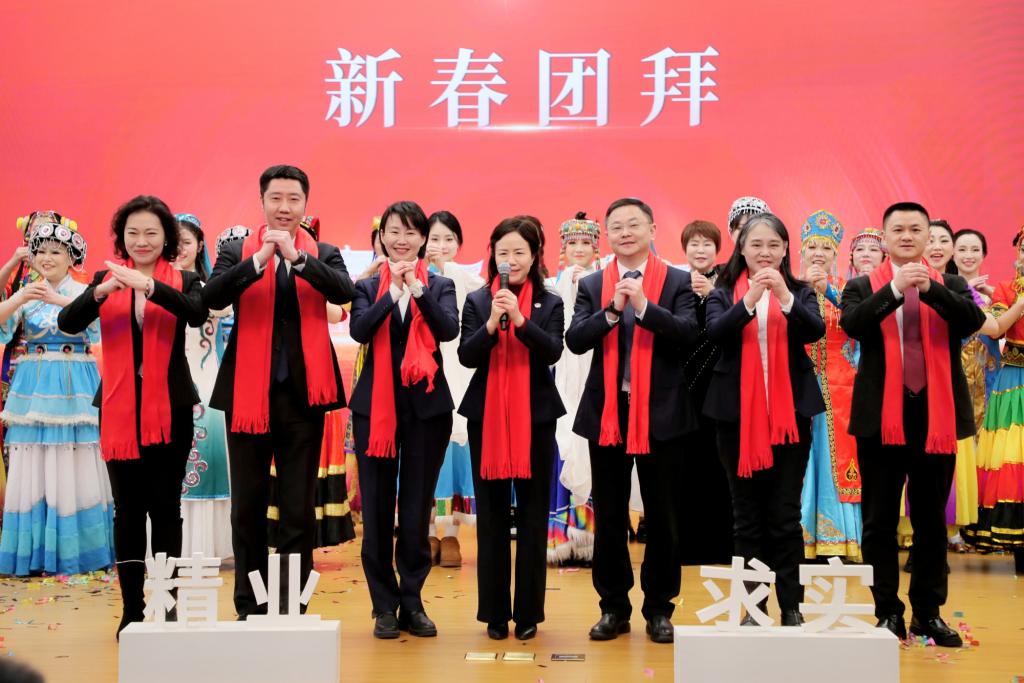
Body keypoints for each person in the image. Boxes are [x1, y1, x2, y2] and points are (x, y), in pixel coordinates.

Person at [203, 165, 354, 619]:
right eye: (276, 198)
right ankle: (250, 605)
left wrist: (299, 259)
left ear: (306, 203)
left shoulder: (324, 252)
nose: (284, 207)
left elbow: (343, 291)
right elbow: (212, 296)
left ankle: (290, 605)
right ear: (262, 202)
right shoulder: (236, 250)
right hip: (246, 395)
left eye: (293, 199)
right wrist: (259, 262)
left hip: (303, 397)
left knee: (297, 508)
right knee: (247, 506)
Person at [59, 195, 208, 638]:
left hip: (171, 409)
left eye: (151, 233)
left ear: (167, 238)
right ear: (122, 238)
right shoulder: (105, 278)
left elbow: (196, 313)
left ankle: (167, 603)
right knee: (127, 510)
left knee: (165, 508)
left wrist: (149, 287)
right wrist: (101, 291)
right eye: (133, 233)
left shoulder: (185, 279)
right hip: (119, 409)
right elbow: (68, 321)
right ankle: (131, 609)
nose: (141, 241)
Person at [841, 202, 984, 647]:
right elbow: (853, 325)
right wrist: (895, 289)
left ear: (929, 237)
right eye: (898, 229)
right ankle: (887, 612)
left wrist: (931, 289)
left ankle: (928, 612)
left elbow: (974, 320)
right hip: (880, 420)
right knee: (879, 522)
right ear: (885, 238)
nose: (907, 236)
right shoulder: (862, 285)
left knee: (930, 523)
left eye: (916, 229)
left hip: (935, 417)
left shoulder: (952, 284)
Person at [566, 197, 699, 644]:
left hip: (663, 412)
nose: (625, 232)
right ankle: (613, 607)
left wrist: (644, 307)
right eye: (617, 226)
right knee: (609, 515)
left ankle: (660, 608)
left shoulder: (678, 280)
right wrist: (610, 312)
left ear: (652, 230)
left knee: (663, 516)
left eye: (634, 224)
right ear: (607, 235)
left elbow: (688, 335)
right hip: (608, 412)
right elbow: (575, 339)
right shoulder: (592, 283)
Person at [705, 213, 825, 626]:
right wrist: (751, 299)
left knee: (785, 516)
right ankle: (753, 608)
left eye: (774, 244)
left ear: (786, 249)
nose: (765, 252)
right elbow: (716, 333)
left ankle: (791, 606)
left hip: (790, 418)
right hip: (736, 420)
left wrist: (785, 297)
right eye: (756, 244)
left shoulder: (801, 291)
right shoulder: (723, 292)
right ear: (741, 249)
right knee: (746, 518)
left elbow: (814, 331)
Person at [348, 201, 459, 639]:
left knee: (415, 509)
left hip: (426, 410)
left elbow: (447, 329)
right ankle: (383, 606)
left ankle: (412, 600)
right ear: (382, 237)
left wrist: (416, 289)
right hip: (374, 410)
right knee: (376, 510)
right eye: (394, 231)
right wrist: (392, 292)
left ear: (424, 240)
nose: (402, 240)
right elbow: (359, 330)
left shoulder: (441, 285)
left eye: (412, 232)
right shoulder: (364, 286)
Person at [458, 216, 565, 640]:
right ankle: (495, 613)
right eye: (503, 252)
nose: (511, 260)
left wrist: (520, 319)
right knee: (492, 519)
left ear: (535, 255)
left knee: (534, 518)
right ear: (493, 256)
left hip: (535, 419)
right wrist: (490, 325)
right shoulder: (477, 300)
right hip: (486, 418)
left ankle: (528, 614)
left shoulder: (550, 302)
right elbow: (467, 356)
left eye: (520, 252)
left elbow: (552, 351)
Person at [0, 220, 115, 576]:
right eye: (41, 252)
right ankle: (34, 552)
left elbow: (101, 324)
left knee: (74, 458)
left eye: (56, 252)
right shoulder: (29, 292)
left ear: (71, 259)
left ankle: (77, 550)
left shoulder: (85, 291)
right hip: (33, 383)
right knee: (33, 460)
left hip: (73, 380)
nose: (47, 258)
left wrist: (60, 299)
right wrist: (17, 297)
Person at [266, 215, 356, 551]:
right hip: (268, 381)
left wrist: (306, 274)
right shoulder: (260, 260)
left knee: (305, 476)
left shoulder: (322, 263)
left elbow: (339, 309)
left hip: (315, 381)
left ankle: (304, 549)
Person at [796, 211, 862, 561]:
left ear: (836, 253)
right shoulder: (791, 288)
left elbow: (858, 323)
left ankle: (839, 538)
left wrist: (829, 292)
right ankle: (799, 536)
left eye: (826, 247)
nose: (818, 253)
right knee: (801, 458)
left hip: (841, 386)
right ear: (801, 251)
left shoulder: (848, 290)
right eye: (812, 246)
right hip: (800, 382)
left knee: (836, 459)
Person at [425, 210, 484, 567]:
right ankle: (426, 532)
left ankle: (450, 536)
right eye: (435, 238)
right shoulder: (413, 274)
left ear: (459, 244)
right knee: (424, 451)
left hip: (458, 373)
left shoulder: (466, 278)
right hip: (423, 371)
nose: (442, 245)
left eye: (449, 239)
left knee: (456, 450)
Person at [173, 213, 233, 559]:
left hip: (207, 385)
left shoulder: (212, 290)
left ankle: (208, 546)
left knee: (209, 461)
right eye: (174, 242)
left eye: (186, 242)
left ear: (199, 246)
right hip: (169, 384)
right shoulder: (156, 286)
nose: (180, 249)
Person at [677, 219, 733, 565]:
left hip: (720, 383)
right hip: (683, 386)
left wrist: (712, 295)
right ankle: (687, 546)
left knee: (720, 463)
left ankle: (723, 546)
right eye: (694, 244)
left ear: (717, 249)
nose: (700, 250)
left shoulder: (728, 283)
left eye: (707, 244)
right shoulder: (674, 283)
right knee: (686, 467)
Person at [969, 226, 1024, 573]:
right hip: (1015, 380)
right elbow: (997, 328)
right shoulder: (1007, 288)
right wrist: (1020, 303)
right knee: (1013, 456)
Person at [548, 212, 601, 565]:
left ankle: (590, 539)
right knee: (561, 447)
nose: (579, 249)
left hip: (594, 375)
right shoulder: (551, 287)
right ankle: (561, 538)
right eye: (573, 243)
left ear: (596, 248)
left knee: (593, 451)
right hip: (561, 377)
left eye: (585, 243)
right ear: (563, 249)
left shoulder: (605, 282)